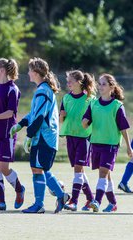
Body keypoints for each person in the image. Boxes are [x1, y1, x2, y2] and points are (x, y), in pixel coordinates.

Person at [11, 57, 70, 214]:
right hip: (44, 137)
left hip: (43, 137)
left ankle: (40, 204)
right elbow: (33, 113)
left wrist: (29, 135)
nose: (28, 73)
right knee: (41, 168)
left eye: (30, 70)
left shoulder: (43, 91)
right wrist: (21, 124)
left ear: (36, 72)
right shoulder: (43, 90)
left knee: (37, 169)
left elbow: (39, 117)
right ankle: (60, 195)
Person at [82, 74, 132, 212]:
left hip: (110, 145)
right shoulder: (93, 103)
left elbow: (123, 128)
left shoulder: (117, 106)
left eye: (104, 84)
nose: (100, 86)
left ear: (111, 87)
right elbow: (85, 123)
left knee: (103, 173)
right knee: (106, 174)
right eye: (99, 83)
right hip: (96, 143)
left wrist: (129, 147)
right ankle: (112, 202)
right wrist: (84, 122)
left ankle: (96, 201)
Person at [0, 58, 25, 211]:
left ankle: (19, 188)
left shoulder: (12, 89)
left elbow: (10, 113)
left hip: (6, 134)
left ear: (2, 70)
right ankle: (0, 201)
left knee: (3, 167)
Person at [59, 70, 96, 211]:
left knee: (78, 169)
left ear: (79, 82)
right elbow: (62, 119)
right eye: (67, 80)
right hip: (70, 137)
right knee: (78, 170)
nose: (68, 83)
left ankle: (74, 201)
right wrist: (61, 115)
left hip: (84, 138)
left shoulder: (90, 99)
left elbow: (94, 119)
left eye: (70, 81)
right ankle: (90, 199)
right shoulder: (66, 98)